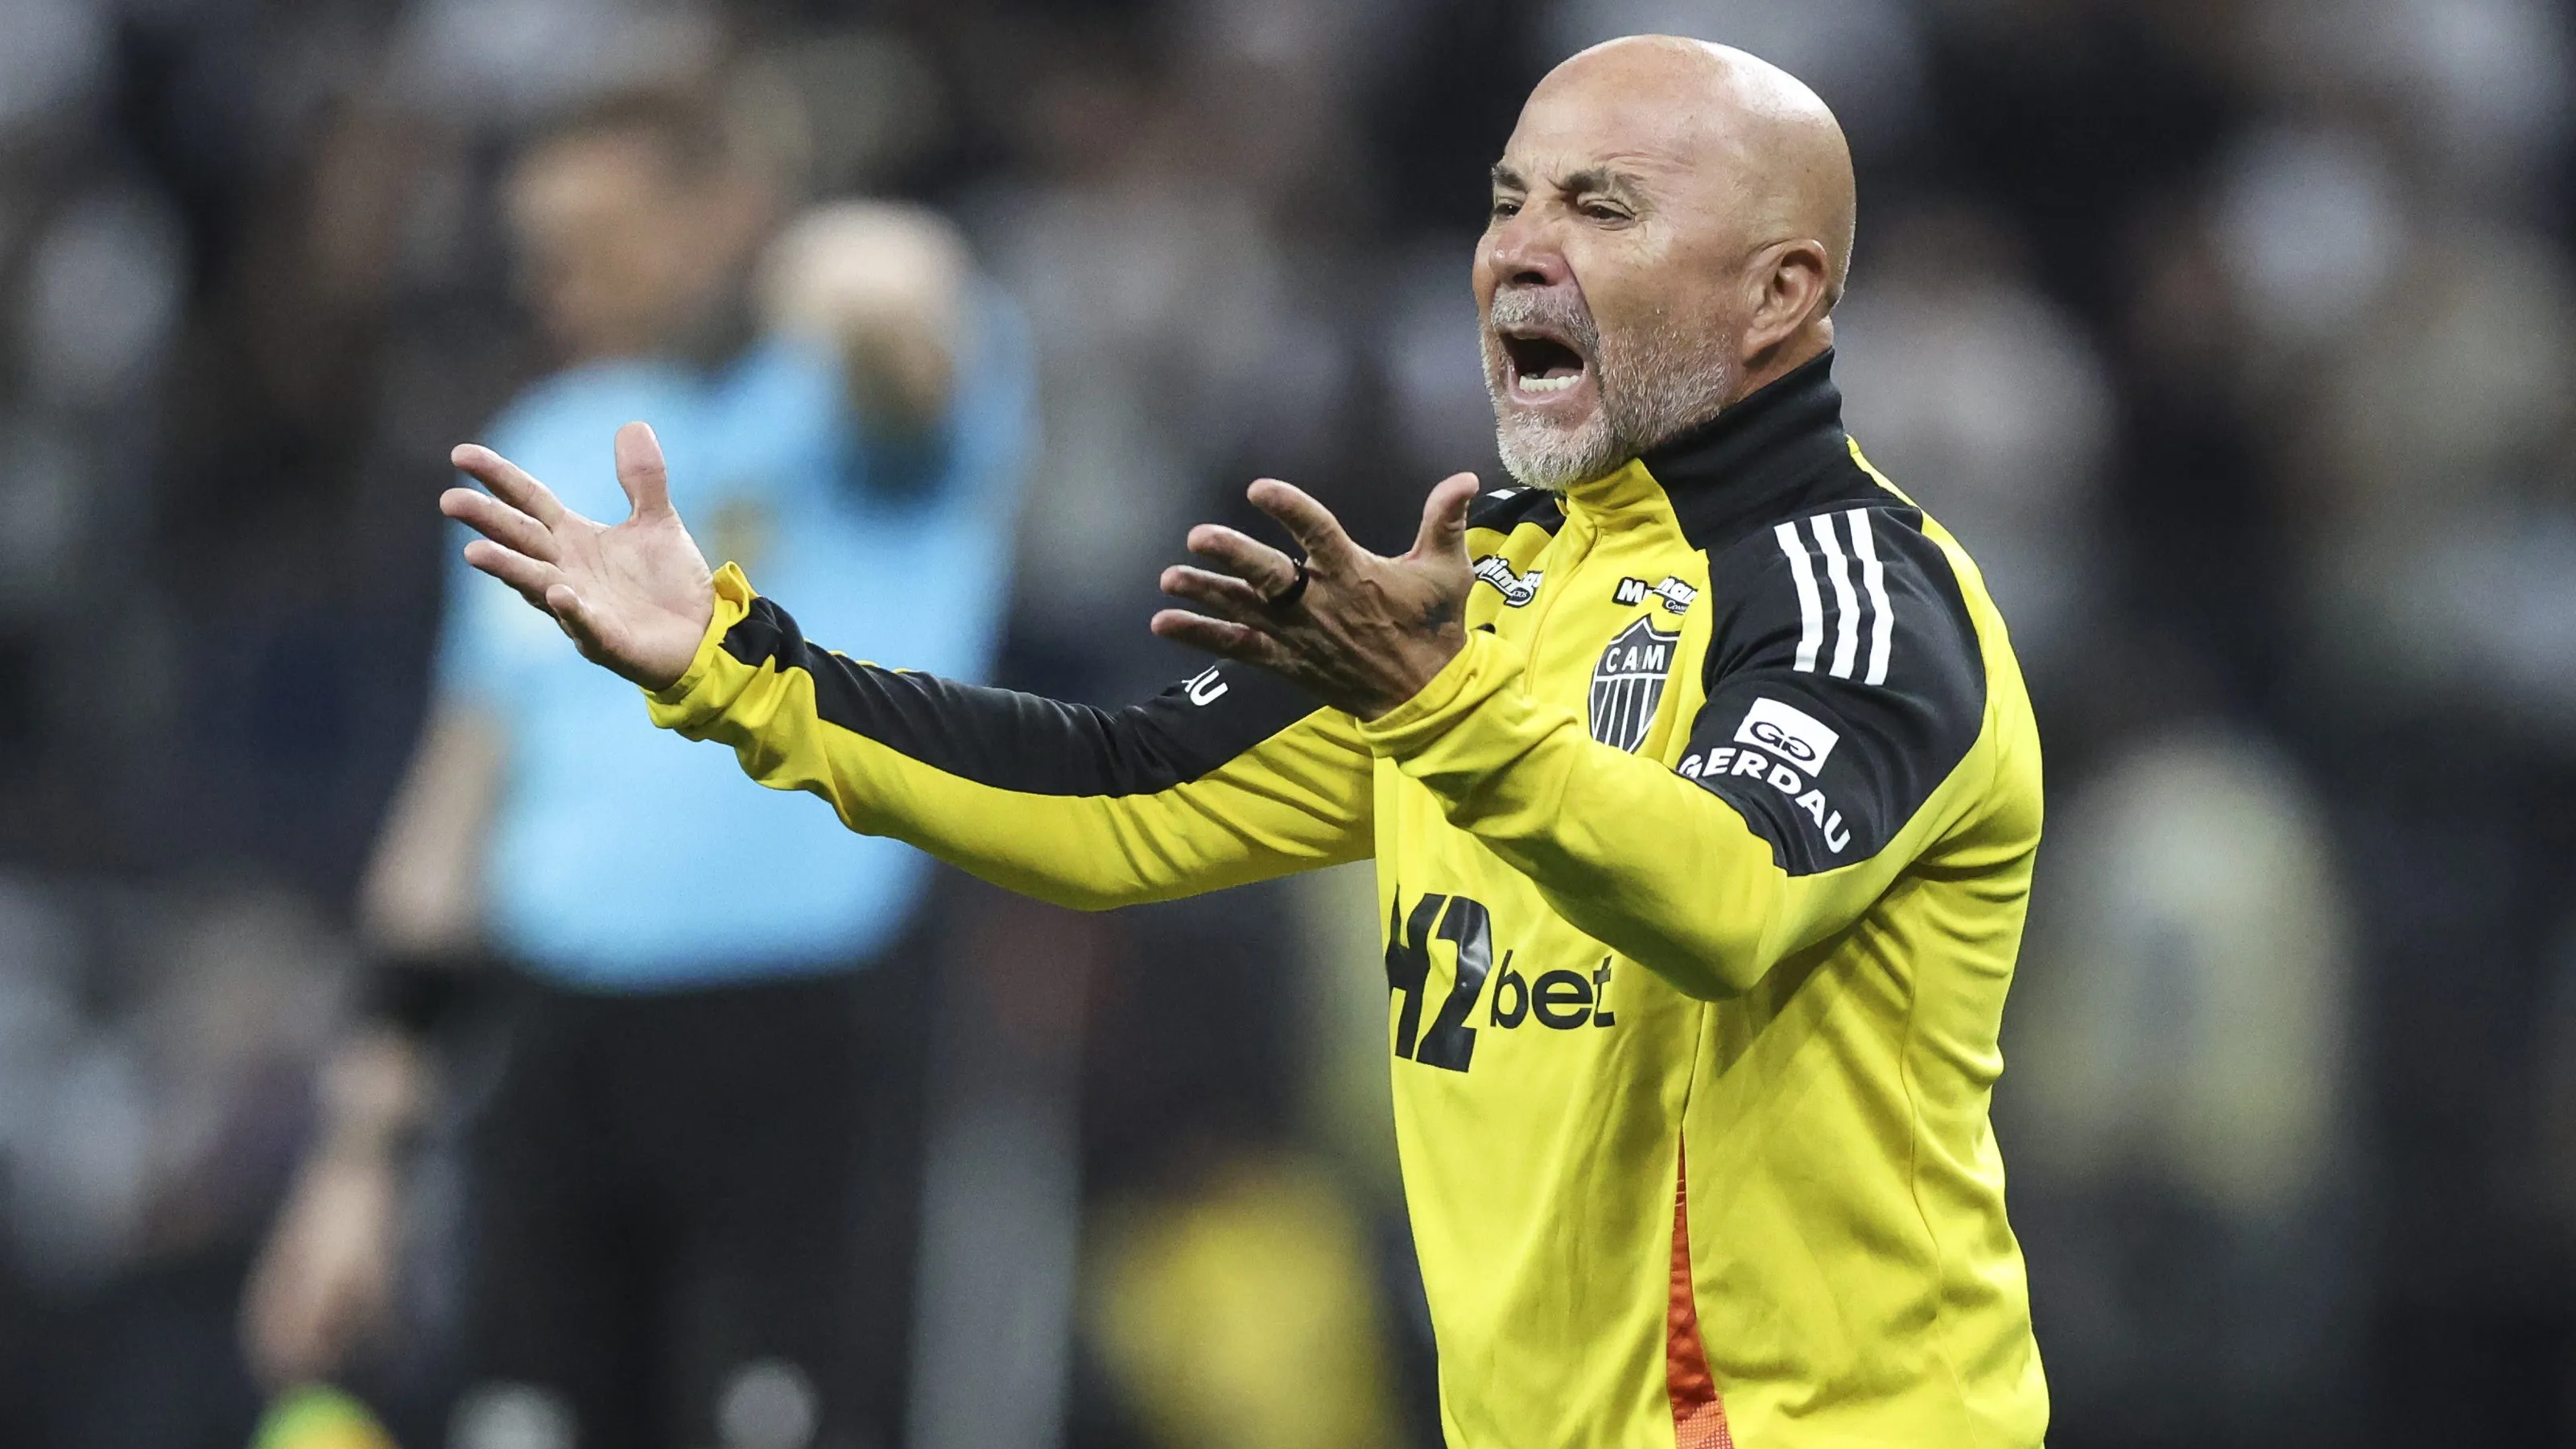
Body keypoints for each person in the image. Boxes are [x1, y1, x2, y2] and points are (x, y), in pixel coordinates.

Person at [439, 37, 2046, 1447]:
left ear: (1780, 294)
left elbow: (1725, 893)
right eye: (1505, 202)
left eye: (1601, 208)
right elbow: (1122, 793)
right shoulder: (1497, 581)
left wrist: (1432, 708)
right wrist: (733, 663)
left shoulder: (1854, 601)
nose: (1516, 255)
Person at [241, 89, 1033, 1449]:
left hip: (804, 1041)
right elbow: (457, 808)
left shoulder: (862, 410)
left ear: (718, 217)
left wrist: (770, 242)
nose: (555, 283)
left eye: (592, 239)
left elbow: (893, 287)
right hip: (557, 1057)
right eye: (536, 249)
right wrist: (355, 1160)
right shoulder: (548, 439)